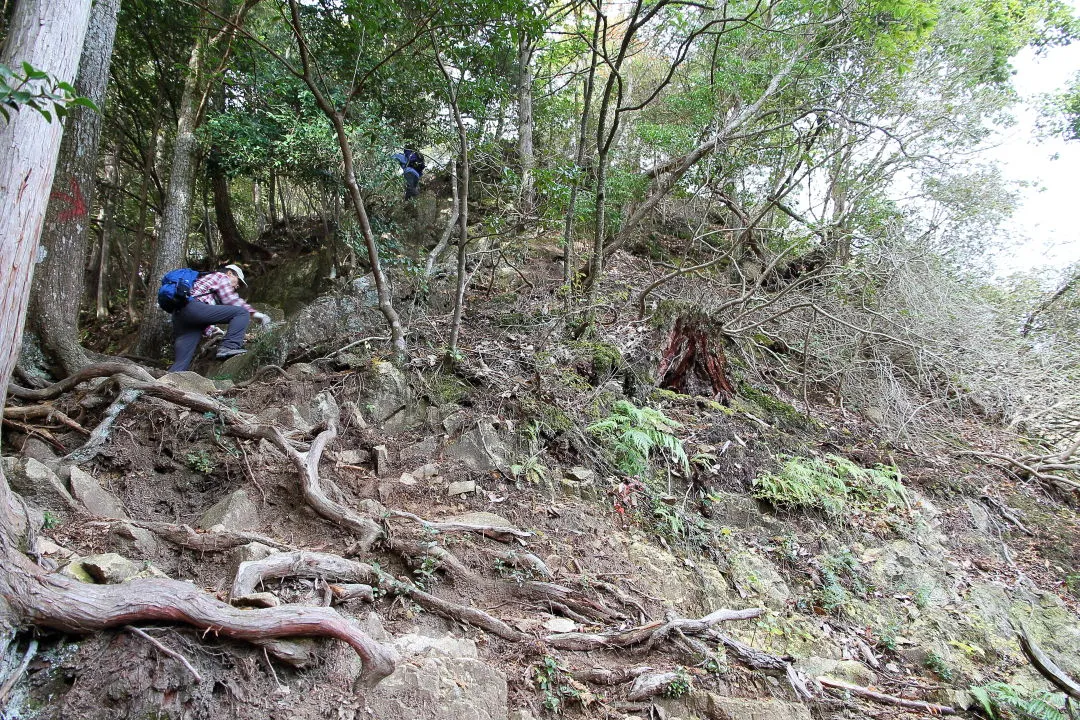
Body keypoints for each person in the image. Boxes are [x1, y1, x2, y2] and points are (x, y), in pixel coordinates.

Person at [168, 263, 270, 372]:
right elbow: (231, 300)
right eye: (238, 281)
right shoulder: (221, 276)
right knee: (242, 313)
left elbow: (203, 318)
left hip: (180, 315)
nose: (237, 286)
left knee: (182, 361)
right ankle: (229, 347)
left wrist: (216, 331)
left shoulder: (206, 286)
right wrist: (255, 314)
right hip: (193, 307)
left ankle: (164, 385)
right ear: (230, 273)